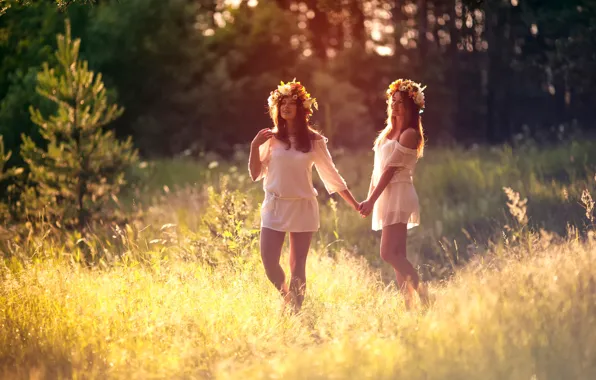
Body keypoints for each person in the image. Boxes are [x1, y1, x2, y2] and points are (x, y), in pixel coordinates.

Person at [248, 79, 360, 312]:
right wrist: (253, 147)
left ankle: (296, 311)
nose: (286, 107)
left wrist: (355, 204)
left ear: (302, 109)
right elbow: (254, 174)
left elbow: (331, 175)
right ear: (276, 108)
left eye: (292, 103)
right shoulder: (269, 138)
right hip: (275, 205)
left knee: (297, 263)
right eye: (282, 103)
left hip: (303, 205)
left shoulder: (313, 141)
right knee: (269, 261)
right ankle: (287, 298)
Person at [359, 79, 429, 309]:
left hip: (398, 193)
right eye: (393, 101)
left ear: (412, 107)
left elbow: (389, 170)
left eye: (401, 102)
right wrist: (370, 196)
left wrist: (372, 199)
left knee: (388, 253)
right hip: (385, 194)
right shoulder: (388, 132)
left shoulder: (409, 134)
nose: (396, 106)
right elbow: (377, 169)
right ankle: (408, 307)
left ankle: (424, 293)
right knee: (398, 254)